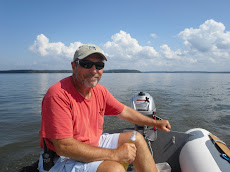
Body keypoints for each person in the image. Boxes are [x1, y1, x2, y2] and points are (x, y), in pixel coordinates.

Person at [38, 43, 171, 172]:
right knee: (114, 169)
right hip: (62, 159)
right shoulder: (57, 95)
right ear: (74, 66)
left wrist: (155, 123)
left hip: (91, 143)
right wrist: (114, 155)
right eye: (86, 64)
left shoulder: (100, 91)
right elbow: (64, 147)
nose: (94, 70)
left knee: (136, 139)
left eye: (99, 65)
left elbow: (124, 111)